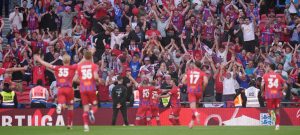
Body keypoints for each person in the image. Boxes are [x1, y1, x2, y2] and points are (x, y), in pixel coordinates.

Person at [34, 54, 77, 129]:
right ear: (69, 61)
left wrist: (39, 60)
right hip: (69, 89)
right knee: (70, 107)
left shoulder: (58, 68)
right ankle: (69, 124)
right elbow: (82, 63)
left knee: (61, 102)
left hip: (60, 89)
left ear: (62, 61)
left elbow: (48, 65)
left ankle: (60, 105)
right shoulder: (72, 67)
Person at [74, 50, 102, 132]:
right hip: (91, 89)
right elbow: (96, 77)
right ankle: (92, 112)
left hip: (83, 89)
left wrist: (82, 81)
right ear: (91, 57)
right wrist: (99, 80)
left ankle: (86, 126)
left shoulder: (79, 67)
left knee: (85, 108)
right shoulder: (94, 66)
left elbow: (75, 79)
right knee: (95, 105)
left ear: (84, 57)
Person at [181, 61, 208, 128]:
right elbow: (206, 82)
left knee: (193, 107)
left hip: (191, 90)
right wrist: (203, 88)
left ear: (194, 65)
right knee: (195, 107)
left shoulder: (189, 72)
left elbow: (183, 81)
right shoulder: (202, 73)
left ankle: (196, 114)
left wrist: (189, 84)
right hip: (199, 91)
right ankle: (192, 122)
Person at [261, 64, 287, 130]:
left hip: (269, 95)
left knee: (270, 111)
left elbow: (262, 85)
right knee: (277, 110)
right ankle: (277, 125)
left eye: (267, 66)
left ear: (270, 67)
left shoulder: (265, 75)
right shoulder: (278, 75)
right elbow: (286, 86)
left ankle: (275, 121)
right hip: (277, 95)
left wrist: (262, 92)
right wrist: (283, 91)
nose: (266, 67)